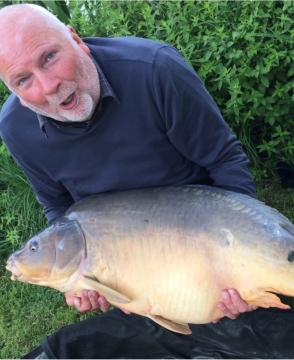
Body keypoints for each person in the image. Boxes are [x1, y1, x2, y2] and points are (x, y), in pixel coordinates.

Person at [0, 4, 257, 322]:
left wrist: (244, 246)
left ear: (76, 39)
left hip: (198, 228)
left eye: (50, 57)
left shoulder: (154, 69)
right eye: (23, 80)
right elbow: (57, 205)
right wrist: (76, 276)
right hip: (115, 248)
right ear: (16, 94)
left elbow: (224, 161)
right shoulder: (15, 126)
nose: (48, 86)